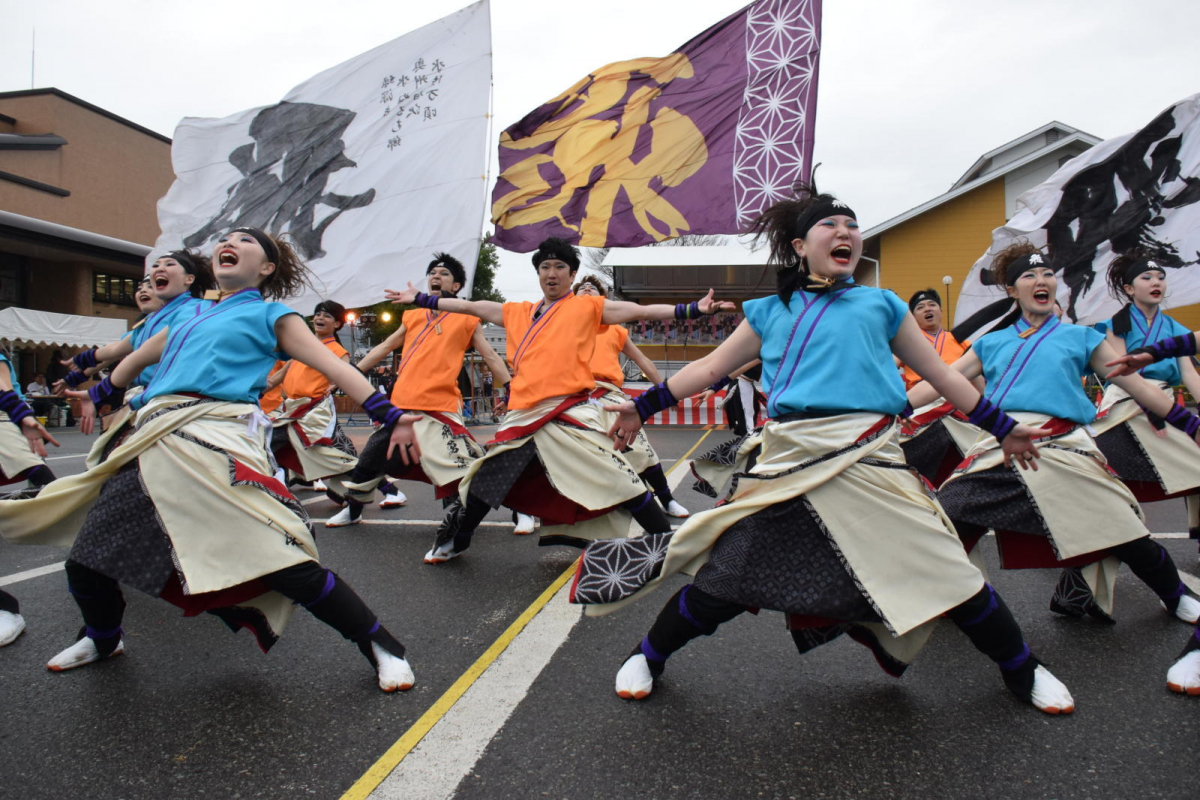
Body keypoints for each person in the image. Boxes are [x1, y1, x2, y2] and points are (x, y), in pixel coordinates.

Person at [573, 187, 1076, 714]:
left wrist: (1003, 427)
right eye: (830, 225)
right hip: (791, 458)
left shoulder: (881, 304)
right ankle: (648, 656)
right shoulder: (769, 310)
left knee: (952, 572)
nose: (845, 233)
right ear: (799, 245)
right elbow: (708, 369)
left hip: (872, 458)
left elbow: (942, 376)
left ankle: (1023, 667)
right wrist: (642, 406)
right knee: (728, 578)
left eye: (851, 226)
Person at [0, 227, 421, 692]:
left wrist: (391, 415)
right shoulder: (187, 316)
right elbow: (132, 361)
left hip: (216, 442)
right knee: (87, 558)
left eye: (245, 241)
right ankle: (103, 637)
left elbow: (334, 366)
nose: (231, 242)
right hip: (153, 441)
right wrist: (97, 393)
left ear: (266, 268)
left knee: (282, 562)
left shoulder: (271, 315)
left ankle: (380, 643)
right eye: (226, 238)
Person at [385, 238, 733, 564]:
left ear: (572, 274)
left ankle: (668, 543)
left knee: (620, 476)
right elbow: (468, 304)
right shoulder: (517, 312)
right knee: (487, 479)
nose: (551, 273)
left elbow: (633, 311)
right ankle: (457, 539)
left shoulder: (587, 307)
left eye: (559, 267)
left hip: (569, 411)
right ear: (538, 273)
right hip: (523, 415)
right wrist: (422, 300)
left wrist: (690, 310)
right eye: (545, 267)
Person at [922, 244, 1200, 630]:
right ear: (1012, 291)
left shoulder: (1081, 339)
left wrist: (1192, 425)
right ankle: (947, 600)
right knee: (946, 516)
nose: (1041, 281)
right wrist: (888, 404)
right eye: (1029, 275)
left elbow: (1141, 388)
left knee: (1125, 530)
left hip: (1065, 445)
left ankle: (1175, 595)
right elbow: (940, 382)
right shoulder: (990, 342)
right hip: (1002, 445)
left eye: (1048, 274)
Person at [325, 254, 527, 535]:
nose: (436, 276)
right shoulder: (412, 315)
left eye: (443, 273)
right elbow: (384, 347)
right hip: (403, 406)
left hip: (440, 408)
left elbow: (492, 357)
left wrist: (510, 391)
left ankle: (520, 508)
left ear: (455, 286)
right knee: (371, 456)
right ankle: (354, 508)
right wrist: (350, 373)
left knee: (461, 470)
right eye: (433, 272)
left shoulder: (467, 319)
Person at [264, 300, 404, 506]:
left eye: (327, 316)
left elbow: (348, 375)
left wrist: (337, 385)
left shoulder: (338, 351)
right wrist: (250, 390)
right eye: (318, 314)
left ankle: (390, 490)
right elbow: (277, 378)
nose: (320, 318)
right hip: (293, 411)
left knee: (326, 456)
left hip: (314, 412)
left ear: (337, 324)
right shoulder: (301, 346)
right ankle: (389, 490)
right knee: (326, 456)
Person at [574, 275, 689, 518]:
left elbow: (643, 361)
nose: (586, 289)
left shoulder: (615, 330)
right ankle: (526, 510)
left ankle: (667, 500)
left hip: (609, 395)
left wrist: (667, 393)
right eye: (581, 288)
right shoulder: (559, 326)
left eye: (592, 288)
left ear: (603, 299)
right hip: (572, 397)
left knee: (638, 448)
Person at [895, 289, 981, 487]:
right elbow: (887, 366)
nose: (927, 309)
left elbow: (978, 384)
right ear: (913, 318)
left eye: (932, 305)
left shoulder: (961, 341)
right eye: (920, 307)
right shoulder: (907, 342)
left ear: (941, 311)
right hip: (922, 403)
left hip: (959, 400)